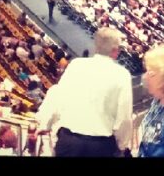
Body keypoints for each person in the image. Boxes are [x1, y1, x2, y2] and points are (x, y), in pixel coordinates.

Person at [35, 27, 133, 157]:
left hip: (69, 142)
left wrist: (45, 125)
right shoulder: (122, 74)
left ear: (96, 47)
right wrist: (122, 145)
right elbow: (124, 117)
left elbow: (57, 98)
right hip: (100, 147)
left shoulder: (76, 65)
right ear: (116, 51)